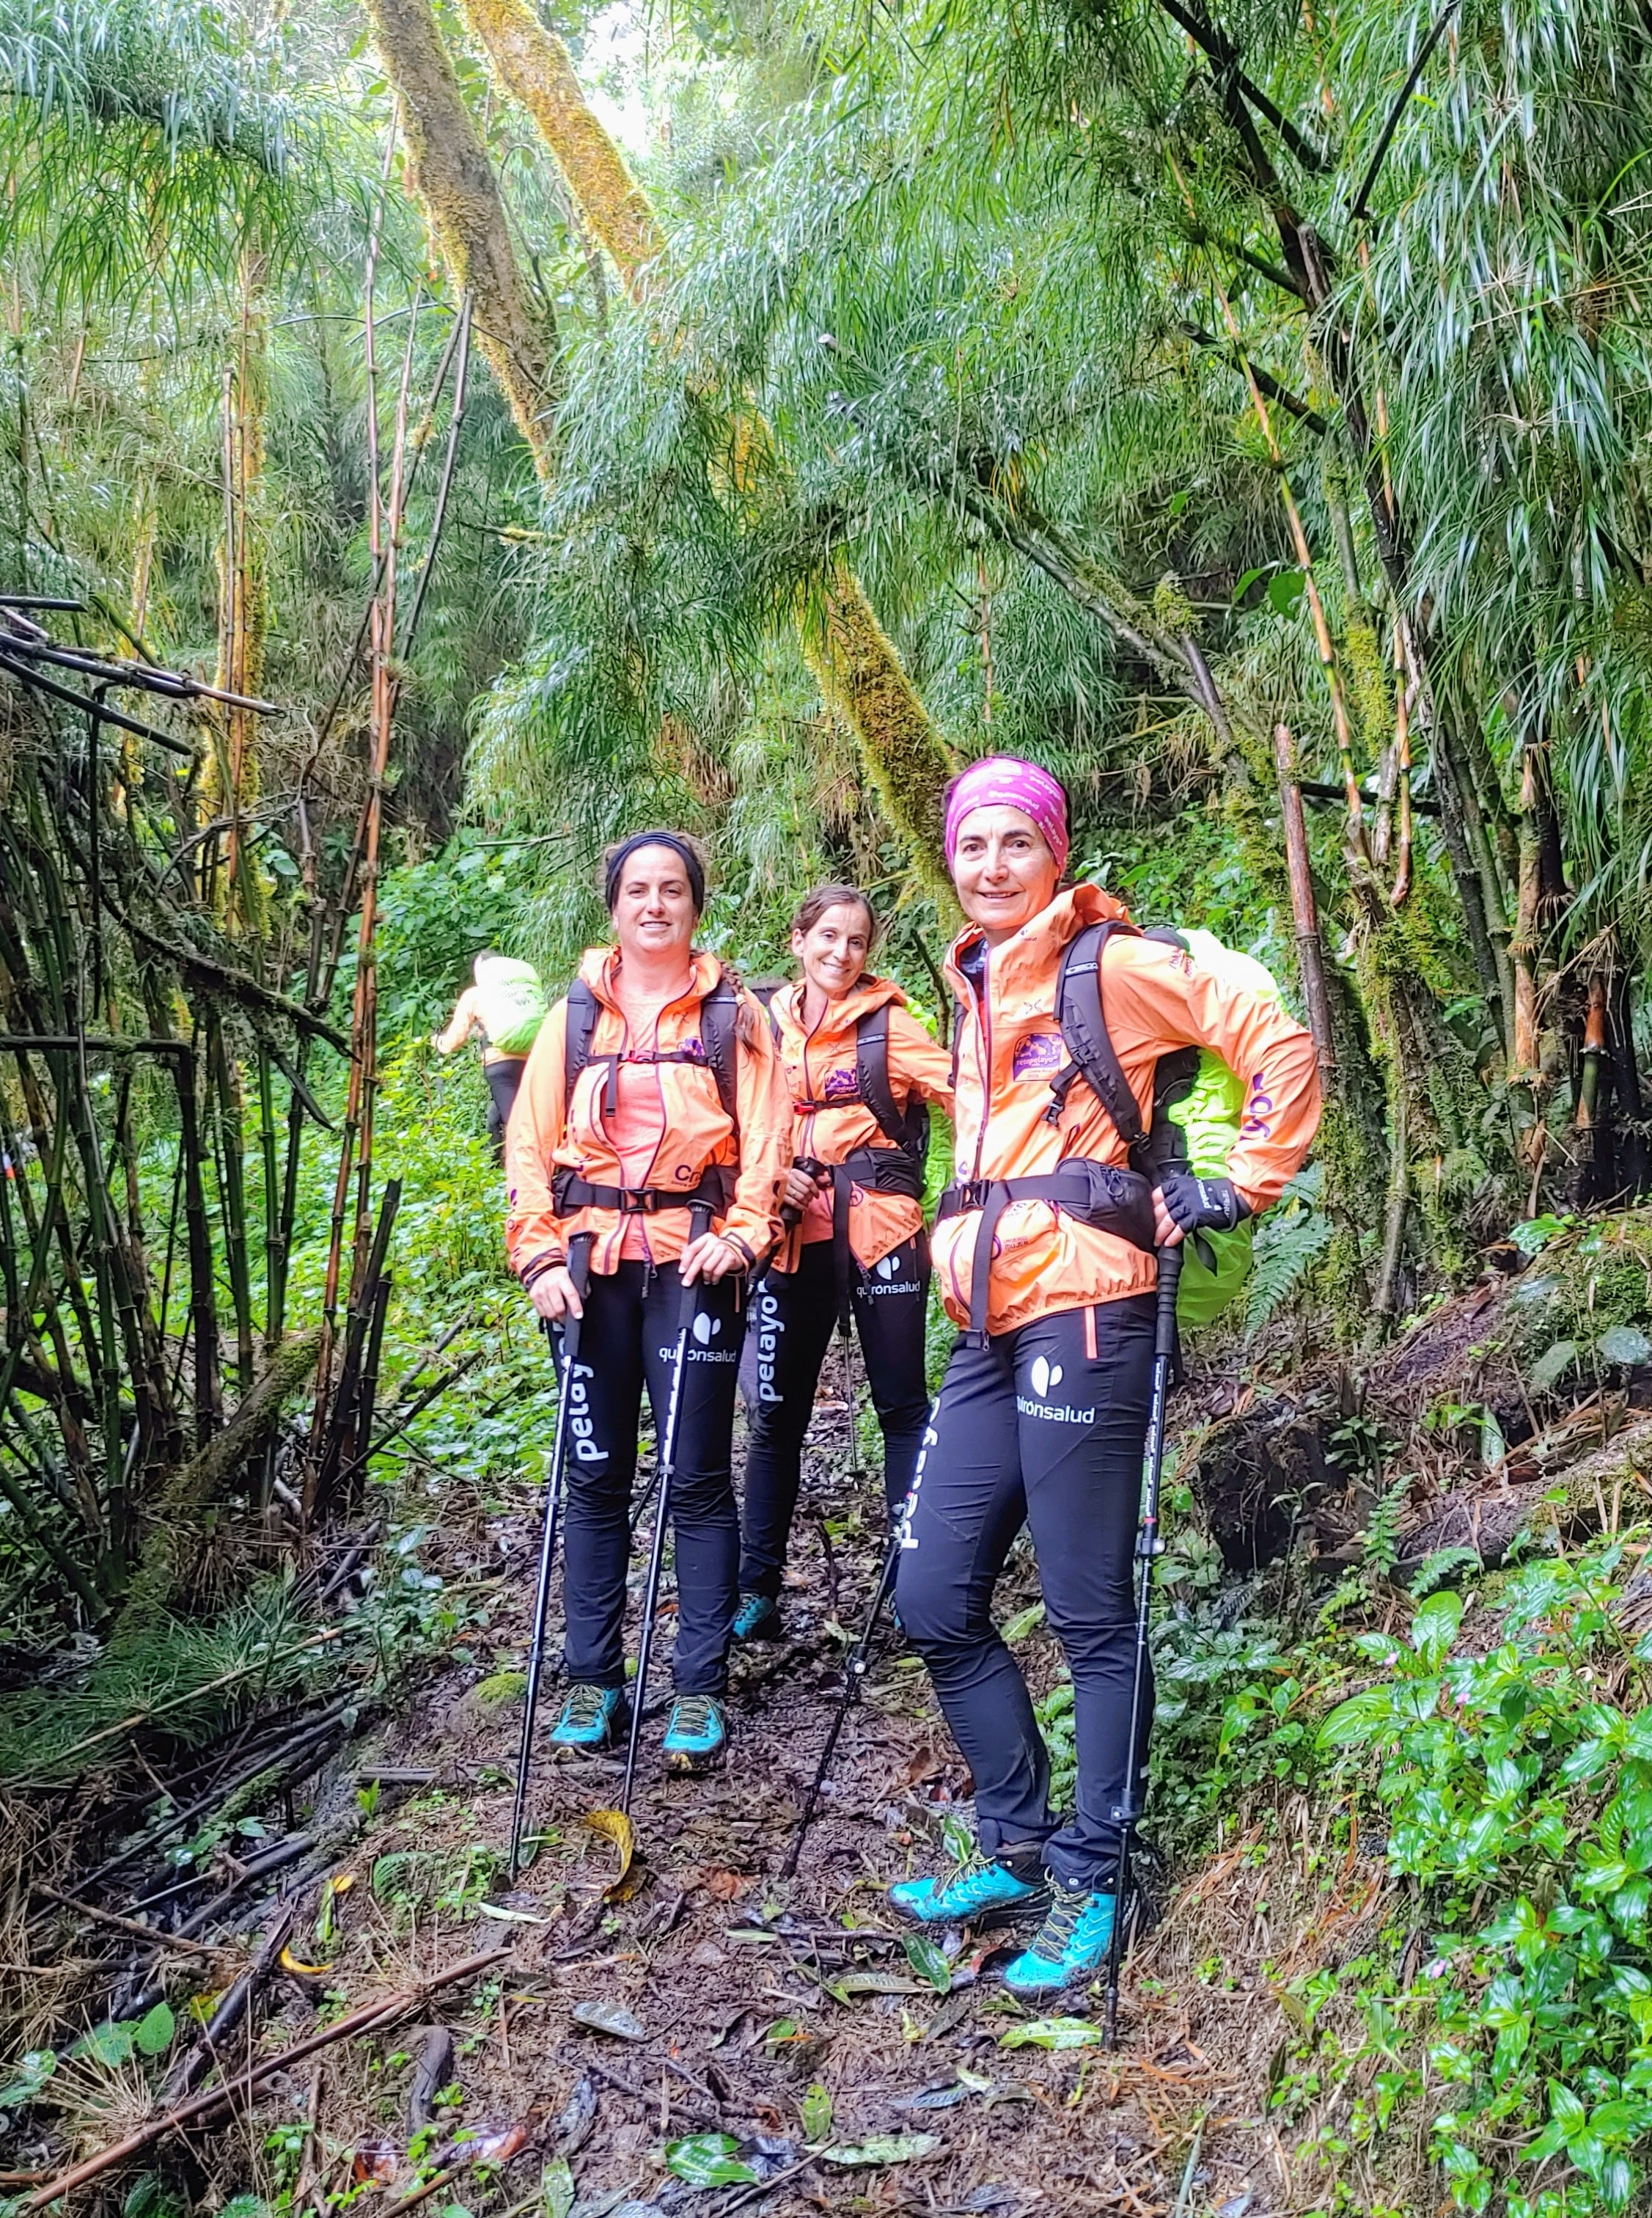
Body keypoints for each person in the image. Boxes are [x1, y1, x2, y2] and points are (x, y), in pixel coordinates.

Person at [886, 757, 1319, 1995]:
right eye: (973, 845)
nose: (991, 865)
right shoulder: (973, 985)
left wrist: (1242, 1175)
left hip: (1088, 1313)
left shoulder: (1109, 965)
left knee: (1087, 1611)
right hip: (988, 1323)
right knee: (931, 1594)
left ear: (1055, 852)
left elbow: (1266, 1027)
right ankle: (1015, 1841)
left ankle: (1093, 1875)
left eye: (1016, 842)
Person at [503, 834, 782, 1768]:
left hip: (693, 1266)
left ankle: (698, 1689)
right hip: (587, 1273)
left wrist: (743, 1234)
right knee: (593, 1474)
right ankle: (595, 1678)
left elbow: (768, 1145)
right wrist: (539, 1256)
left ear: (695, 906)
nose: (654, 903)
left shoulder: (735, 1020)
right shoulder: (574, 1018)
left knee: (696, 1476)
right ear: (613, 907)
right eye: (637, 890)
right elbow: (530, 1148)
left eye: (672, 890)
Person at [734, 885, 951, 1641]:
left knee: (900, 1407)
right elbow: (731, 1126)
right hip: (791, 1238)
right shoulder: (760, 1026)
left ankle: (913, 1586)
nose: (841, 953)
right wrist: (761, 1182)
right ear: (798, 939)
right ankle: (754, 1588)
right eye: (828, 936)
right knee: (775, 1419)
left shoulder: (891, 1026)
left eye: (856, 942)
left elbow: (969, 1094)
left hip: (882, 1233)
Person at [433, 953, 544, 1151]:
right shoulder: (523, 991)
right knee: (497, 1117)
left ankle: (534, 1174)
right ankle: (495, 1168)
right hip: (535, 1062)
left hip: (501, 1068)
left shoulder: (477, 994)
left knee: (520, 1129)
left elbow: (454, 1041)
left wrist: (438, 1043)